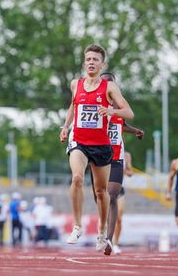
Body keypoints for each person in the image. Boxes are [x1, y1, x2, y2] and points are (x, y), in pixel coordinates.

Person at [60, 44, 134, 253]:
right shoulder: (76, 84)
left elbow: (129, 113)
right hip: (79, 142)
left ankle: (102, 230)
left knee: (101, 193)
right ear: (84, 62)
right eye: (88, 59)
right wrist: (66, 127)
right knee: (76, 178)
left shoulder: (109, 88)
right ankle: (77, 226)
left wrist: (111, 110)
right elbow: (73, 107)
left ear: (102, 64)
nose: (91, 62)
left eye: (95, 59)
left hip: (101, 145)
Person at [98, 72, 143, 255]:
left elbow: (122, 124)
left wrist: (136, 131)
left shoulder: (120, 106)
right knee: (103, 196)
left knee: (113, 194)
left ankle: (108, 239)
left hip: (117, 157)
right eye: (106, 83)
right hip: (100, 157)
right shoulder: (96, 105)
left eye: (112, 83)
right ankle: (102, 229)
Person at [112, 151, 135, 254]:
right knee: (106, 216)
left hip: (120, 188)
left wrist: (126, 171)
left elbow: (129, 171)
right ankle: (103, 238)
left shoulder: (126, 155)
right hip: (107, 187)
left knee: (119, 218)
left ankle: (115, 244)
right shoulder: (107, 148)